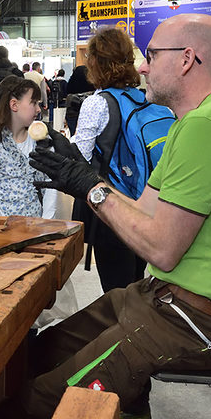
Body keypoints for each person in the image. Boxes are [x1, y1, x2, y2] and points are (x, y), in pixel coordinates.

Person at [17, 14, 211, 418]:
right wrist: (88, 179)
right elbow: (142, 212)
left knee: (43, 400)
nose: (141, 67)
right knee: (33, 353)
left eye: (151, 55)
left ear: (187, 59)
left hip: (195, 320)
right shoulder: (190, 123)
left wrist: (90, 188)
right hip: (162, 299)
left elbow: (161, 249)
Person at [70, 27, 147, 293]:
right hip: (145, 202)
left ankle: (123, 332)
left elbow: (79, 155)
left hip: (110, 204)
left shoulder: (97, 103)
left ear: (95, 62)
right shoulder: (143, 99)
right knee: (136, 280)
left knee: (116, 290)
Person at [0, 76, 56, 223]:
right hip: (0, 231)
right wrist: (4, 223)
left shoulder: (42, 141)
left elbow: (50, 186)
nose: (38, 109)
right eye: (33, 103)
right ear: (14, 105)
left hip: (36, 227)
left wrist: (47, 222)